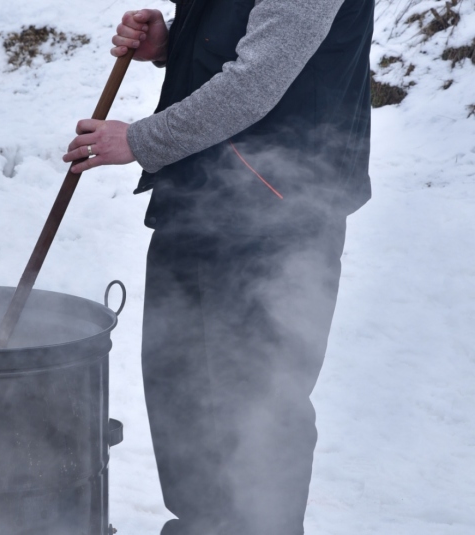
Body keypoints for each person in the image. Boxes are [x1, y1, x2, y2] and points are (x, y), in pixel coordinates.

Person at [63, 1, 373, 534]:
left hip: (275, 217)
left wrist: (139, 140)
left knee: (255, 412)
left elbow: (257, 79)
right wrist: (174, 42)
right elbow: (251, 28)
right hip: (200, 198)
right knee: (188, 400)